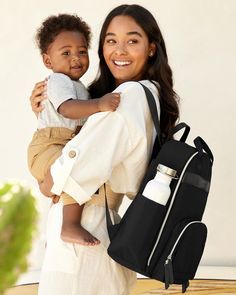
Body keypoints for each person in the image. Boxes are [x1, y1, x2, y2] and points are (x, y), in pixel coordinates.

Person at [30, 4, 179, 295]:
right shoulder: (140, 96)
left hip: (88, 235)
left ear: (151, 48)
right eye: (111, 40)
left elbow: (56, 181)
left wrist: (50, 178)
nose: (119, 51)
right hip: (102, 231)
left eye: (132, 41)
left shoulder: (131, 95)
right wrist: (47, 116)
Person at [27, 14, 120, 246]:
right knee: (74, 170)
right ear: (48, 61)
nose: (76, 58)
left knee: (74, 172)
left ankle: (53, 194)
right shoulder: (58, 80)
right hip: (48, 145)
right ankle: (69, 226)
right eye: (66, 53)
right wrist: (99, 105)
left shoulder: (81, 89)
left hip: (61, 145)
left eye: (81, 51)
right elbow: (67, 109)